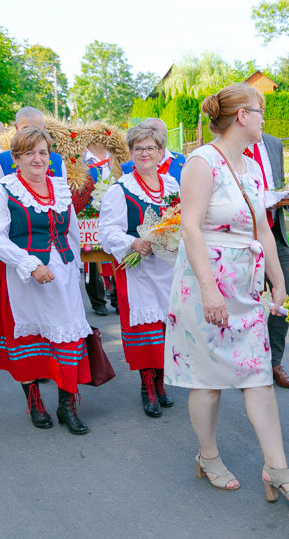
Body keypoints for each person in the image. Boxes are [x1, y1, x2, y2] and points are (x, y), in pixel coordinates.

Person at [164, 83, 289, 503]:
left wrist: (278, 280)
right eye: (260, 110)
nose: (265, 118)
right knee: (207, 381)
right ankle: (208, 456)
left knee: (258, 374)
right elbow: (190, 228)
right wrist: (210, 292)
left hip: (245, 285)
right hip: (205, 284)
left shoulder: (247, 167)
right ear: (242, 117)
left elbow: (261, 227)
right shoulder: (201, 162)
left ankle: (277, 469)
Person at [0, 127, 92, 435]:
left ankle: (67, 404)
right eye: (30, 152)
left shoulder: (60, 187)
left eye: (43, 152)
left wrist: (76, 270)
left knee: (68, 336)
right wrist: (29, 264)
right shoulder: (4, 189)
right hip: (19, 275)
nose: (37, 158)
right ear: (16, 157)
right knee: (29, 339)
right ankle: (34, 399)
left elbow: (71, 231)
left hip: (62, 271)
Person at [99, 120, 179, 418]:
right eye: (138, 148)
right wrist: (133, 243)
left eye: (151, 148)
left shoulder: (171, 185)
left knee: (166, 328)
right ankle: (147, 385)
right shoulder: (120, 190)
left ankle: (160, 382)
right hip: (139, 271)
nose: (145, 153)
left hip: (168, 267)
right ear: (130, 152)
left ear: (161, 151)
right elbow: (107, 232)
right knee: (147, 331)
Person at [244, 131, 289, 389]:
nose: (261, 115)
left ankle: (273, 362)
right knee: (244, 302)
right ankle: (243, 363)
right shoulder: (233, 141)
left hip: (274, 233)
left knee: (285, 298)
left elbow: (278, 186)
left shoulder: (275, 143)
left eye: (262, 110)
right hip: (241, 236)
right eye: (257, 110)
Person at [83, 141, 118, 316]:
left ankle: (118, 298)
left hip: (115, 215)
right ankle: (98, 302)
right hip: (90, 216)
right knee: (92, 258)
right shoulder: (81, 160)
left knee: (118, 254)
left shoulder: (116, 158)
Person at [0, 107, 65, 181]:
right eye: (25, 129)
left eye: (36, 129)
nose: (31, 134)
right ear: (16, 128)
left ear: (43, 129)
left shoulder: (58, 160)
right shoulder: (3, 160)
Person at [120, 118, 186, 183]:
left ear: (166, 137)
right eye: (152, 135)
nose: (158, 139)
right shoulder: (127, 168)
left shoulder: (180, 160)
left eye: (161, 135)